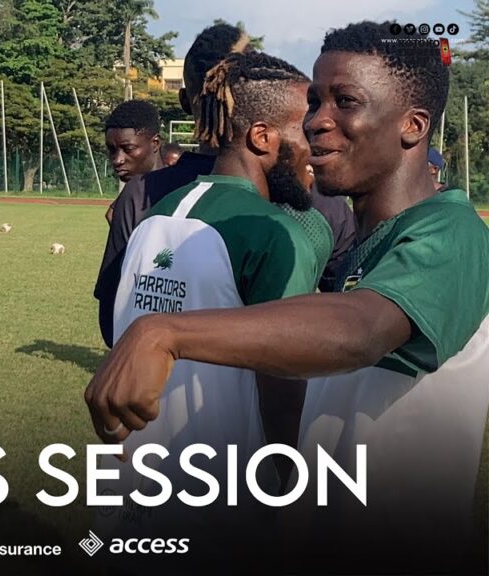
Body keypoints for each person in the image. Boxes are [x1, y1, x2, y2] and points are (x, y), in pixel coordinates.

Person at [86, 21, 486, 573]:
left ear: (413, 126)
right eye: (315, 101)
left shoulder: (454, 232)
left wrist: (162, 332)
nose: (317, 121)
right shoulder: (358, 241)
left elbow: (361, 331)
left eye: (345, 102)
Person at [94, 51, 321, 568]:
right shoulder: (273, 231)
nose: (316, 145)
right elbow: (283, 387)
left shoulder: (154, 213)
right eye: (304, 128)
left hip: (131, 491)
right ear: (262, 137)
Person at [95, 23, 252, 347]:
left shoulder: (140, 196)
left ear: (184, 100)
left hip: (161, 389)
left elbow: (113, 321)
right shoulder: (305, 199)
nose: (119, 159)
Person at [103, 99, 162, 223]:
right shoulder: (128, 199)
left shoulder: (178, 197)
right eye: (112, 150)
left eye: (128, 149)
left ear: (155, 143)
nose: (117, 160)